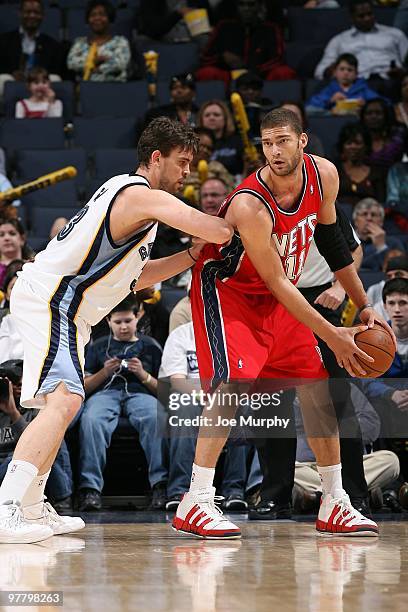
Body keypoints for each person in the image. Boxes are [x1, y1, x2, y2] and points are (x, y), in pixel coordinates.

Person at [0, 116, 233, 544]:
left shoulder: (131, 203)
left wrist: (190, 257)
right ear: (156, 157)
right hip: (56, 300)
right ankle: (9, 506)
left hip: (66, 307)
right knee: (66, 400)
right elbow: (216, 228)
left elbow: (135, 279)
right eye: (182, 163)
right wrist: (248, 214)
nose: (187, 174)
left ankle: (31, 505)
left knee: (64, 403)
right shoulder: (139, 194)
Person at [172, 107, 395, 539]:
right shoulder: (250, 203)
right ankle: (196, 500)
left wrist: (363, 305)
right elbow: (274, 282)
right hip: (230, 293)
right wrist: (333, 334)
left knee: (316, 386)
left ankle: (335, 501)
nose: (274, 151)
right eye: (266, 143)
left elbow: (334, 245)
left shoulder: (324, 176)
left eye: (282, 141)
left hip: (280, 293)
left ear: (302, 141)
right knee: (232, 384)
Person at [77, 298, 166, 511]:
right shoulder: (97, 346)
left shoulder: (151, 346)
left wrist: (143, 375)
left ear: (138, 318)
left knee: (156, 417)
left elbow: (166, 391)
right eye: (118, 322)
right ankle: (90, 489)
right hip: (106, 393)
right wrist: (104, 372)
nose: (124, 326)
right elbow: (85, 387)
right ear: (108, 321)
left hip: (140, 393)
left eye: (128, 320)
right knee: (92, 420)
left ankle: (160, 485)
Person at [0, 359, 79, 523]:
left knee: (53, 436)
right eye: (13, 384)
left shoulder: (37, 406)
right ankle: (8, 512)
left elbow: (35, 443)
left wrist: (14, 413)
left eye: (21, 383)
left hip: (20, 462)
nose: (18, 388)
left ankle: (61, 499)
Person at [314, 0, 408, 98]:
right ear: (352, 18)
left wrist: (402, 72)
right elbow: (320, 72)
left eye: (369, 14)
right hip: (356, 85)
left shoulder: (395, 34)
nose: (367, 18)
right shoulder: (339, 40)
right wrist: (332, 70)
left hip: (391, 82)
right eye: (361, 16)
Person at [196, 0, 295, 86]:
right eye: (241, 4)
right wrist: (221, 57)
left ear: (259, 6)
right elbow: (205, 58)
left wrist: (254, 69)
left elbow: (278, 59)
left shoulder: (270, 29)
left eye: (251, 4)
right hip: (229, 76)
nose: (246, 8)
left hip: (261, 75)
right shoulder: (223, 27)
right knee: (206, 73)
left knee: (284, 72)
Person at [0, 0, 65, 96]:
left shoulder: (53, 45)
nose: (32, 15)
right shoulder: (3, 40)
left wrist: (39, 76)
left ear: (42, 16)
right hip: (13, 82)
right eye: (28, 12)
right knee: (2, 79)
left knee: (55, 79)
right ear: (20, 14)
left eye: (36, 13)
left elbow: (56, 69)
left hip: (40, 83)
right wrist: (12, 73)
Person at [67, 0, 131, 82]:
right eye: (93, 15)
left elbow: (120, 64)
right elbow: (71, 63)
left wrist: (90, 66)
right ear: (88, 20)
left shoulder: (120, 42)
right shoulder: (79, 42)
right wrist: (95, 62)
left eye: (102, 14)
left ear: (110, 18)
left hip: (114, 88)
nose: (97, 18)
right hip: (85, 89)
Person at [306, 53, 384, 116]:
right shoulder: (329, 90)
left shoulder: (364, 90)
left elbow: (384, 105)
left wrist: (367, 106)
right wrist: (330, 101)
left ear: (356, 73)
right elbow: (309, 109)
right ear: (335, 72)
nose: (345, 73)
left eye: (350, 70)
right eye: (342, 69)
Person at [336, 123, 386, 207]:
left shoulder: (377, 173)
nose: (353, 147)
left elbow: (381, 202)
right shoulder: (335, 171)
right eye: (349, 143)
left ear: (366, 146)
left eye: (357, 143)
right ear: (342, 146)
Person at [352, 198, 405, 271]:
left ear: (381, 222)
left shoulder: (394, 243)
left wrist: (381, 247)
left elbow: (397, 271)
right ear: (356, 221)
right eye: (364, 214)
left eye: (373, 215)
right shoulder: (347, 242)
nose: (369, 218)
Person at [197, 99, 243, 175]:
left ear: (225, 119)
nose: (211, 118)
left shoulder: (237, 141)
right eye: (207, 115)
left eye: (216, 115)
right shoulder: (192, 142)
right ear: (201, 119)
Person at [360, 98, 407, 170]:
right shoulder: (358, 138)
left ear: (386, 115)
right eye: (369, 113)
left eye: (378, 113)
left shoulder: (398, 137)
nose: (373, 116)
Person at [0, 218, 33, 289]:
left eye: (12, 233)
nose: (7, 238)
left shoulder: (33, 266)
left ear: (22, 239)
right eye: (1, 235)